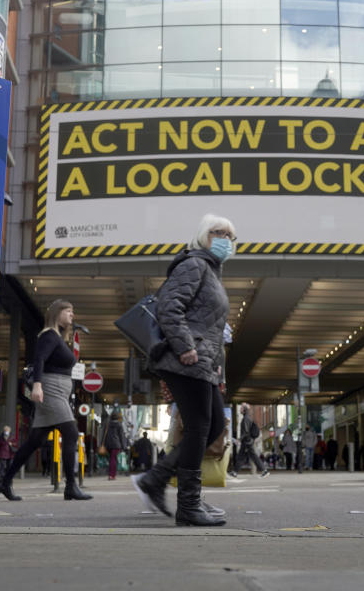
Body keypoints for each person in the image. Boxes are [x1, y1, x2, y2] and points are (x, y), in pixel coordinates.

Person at [131, 214, 235, 527]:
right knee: (200, 427)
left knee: (214, 425)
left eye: (230, 235)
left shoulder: (212, 272)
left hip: (203, 362)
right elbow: (168, 307)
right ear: (203, 235)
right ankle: (188, 505)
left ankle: (158, 480)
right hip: (186, 359)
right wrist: (186, 346)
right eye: (218, 232)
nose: (224, 239)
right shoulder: (193, 264)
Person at [0, 300, 91, 502]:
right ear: (58, 313)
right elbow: (39, 359)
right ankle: (71, 487)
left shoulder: (58, 338)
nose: (73, 315)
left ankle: (4, 481)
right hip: (51, 390)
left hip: (58, 392)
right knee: (71, 432)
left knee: (33, 442)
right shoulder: (48, 335)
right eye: (69, 311)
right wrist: (37, 385)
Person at [237, 403, 269, 477]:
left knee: (252, 456)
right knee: (242, 456)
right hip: (248, 441)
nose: (240, 409)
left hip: (247, 441)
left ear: (244, 410)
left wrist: (240, 439)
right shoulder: (247, 417)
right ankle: (235, 472)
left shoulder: (246, 418)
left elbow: (245, 431)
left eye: (241, 408)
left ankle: (264, 470)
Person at [104, 411, 128, 480]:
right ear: (117, 417)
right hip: (116, 444)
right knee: (113, 459)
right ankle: (112, 475)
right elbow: (121, 436)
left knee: (111, 459)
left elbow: (104, 434)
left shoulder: (108, 424)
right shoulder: (119, 425)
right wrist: (124, 446)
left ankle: (110, 474)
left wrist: (103, 444)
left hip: (108, 444)